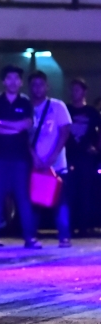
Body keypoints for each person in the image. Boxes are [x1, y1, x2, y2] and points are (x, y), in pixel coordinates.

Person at [0, 65, 37, 248]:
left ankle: (30, 238)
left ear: (21, 82)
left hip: (20, 159)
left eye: (17, 78)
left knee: (23, 197)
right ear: (3, 81)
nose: (13, 82)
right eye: (9, 78)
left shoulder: (25, 102)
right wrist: (15, 128)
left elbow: (27, 124)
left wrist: (3, 124)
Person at [28, 71, 72, 248]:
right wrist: (34, 157)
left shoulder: (57, 106)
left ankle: (65, 236)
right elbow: (23, 136)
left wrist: (52, 156)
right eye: (34, 84)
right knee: (34, 203)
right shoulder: (26, 106)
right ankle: (31, 237)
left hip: (57, 166)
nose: (37, 88)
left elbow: (65, 131)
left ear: (47, 86)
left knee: (60, 202)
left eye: (41, 84)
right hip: (34, 165)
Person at [65, 78, 101, 236]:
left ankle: (84, 226)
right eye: (72, 90)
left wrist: (97, 148)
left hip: (87, 158)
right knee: (69, 192)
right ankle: (70, 226)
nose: (74, 93)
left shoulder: (92, 113)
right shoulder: (66, 110)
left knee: (86, 193)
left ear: (84, 92)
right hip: (69, 157)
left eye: (77, 90)